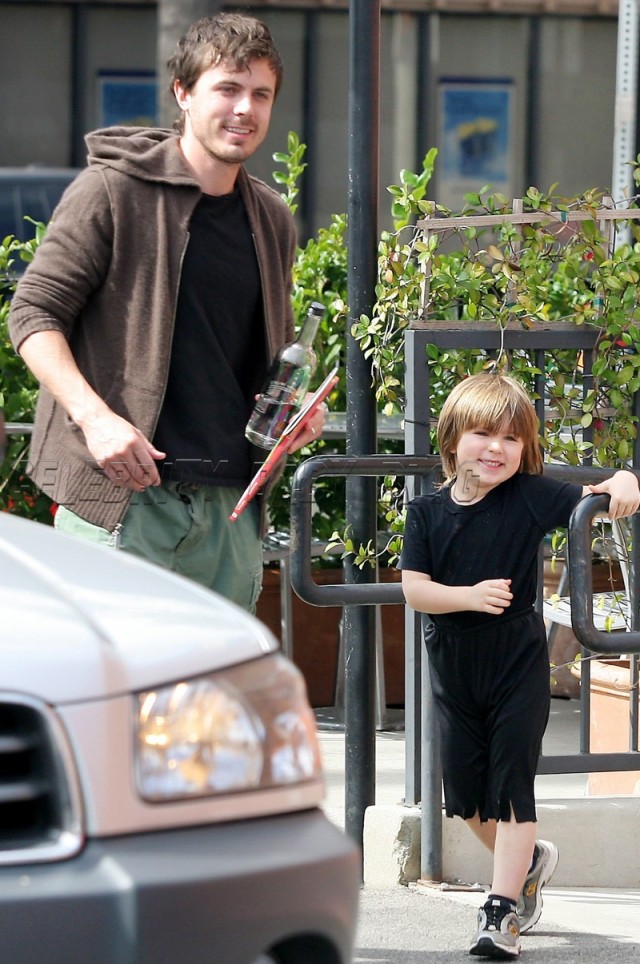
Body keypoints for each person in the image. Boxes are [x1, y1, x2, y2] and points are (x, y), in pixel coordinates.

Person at [8, 13, 324, 612]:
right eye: (227, 89)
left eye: (260, 94)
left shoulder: (271, 218)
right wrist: (95, 419)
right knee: (111, 694)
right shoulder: (111, 191)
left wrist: (295, 413)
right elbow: (32, 314)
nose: (244, 110)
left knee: (215, 698)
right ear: (183, 93)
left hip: (231, 506)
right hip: (125, 496)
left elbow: (265, 359)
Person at [400, 372, 639, 959]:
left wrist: (625, 478)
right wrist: (468, 595)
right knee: (467, 798)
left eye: (511, 439)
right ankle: (530, 861)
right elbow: (414, 589)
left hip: (517, 661)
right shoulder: (427, 512)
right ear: (453, 438)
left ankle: (500, 910)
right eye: (482, 433)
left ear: (525, 448)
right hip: (454, 664)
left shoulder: (529, 496)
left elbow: (594, 498)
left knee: (511, 787)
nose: (495, 448)